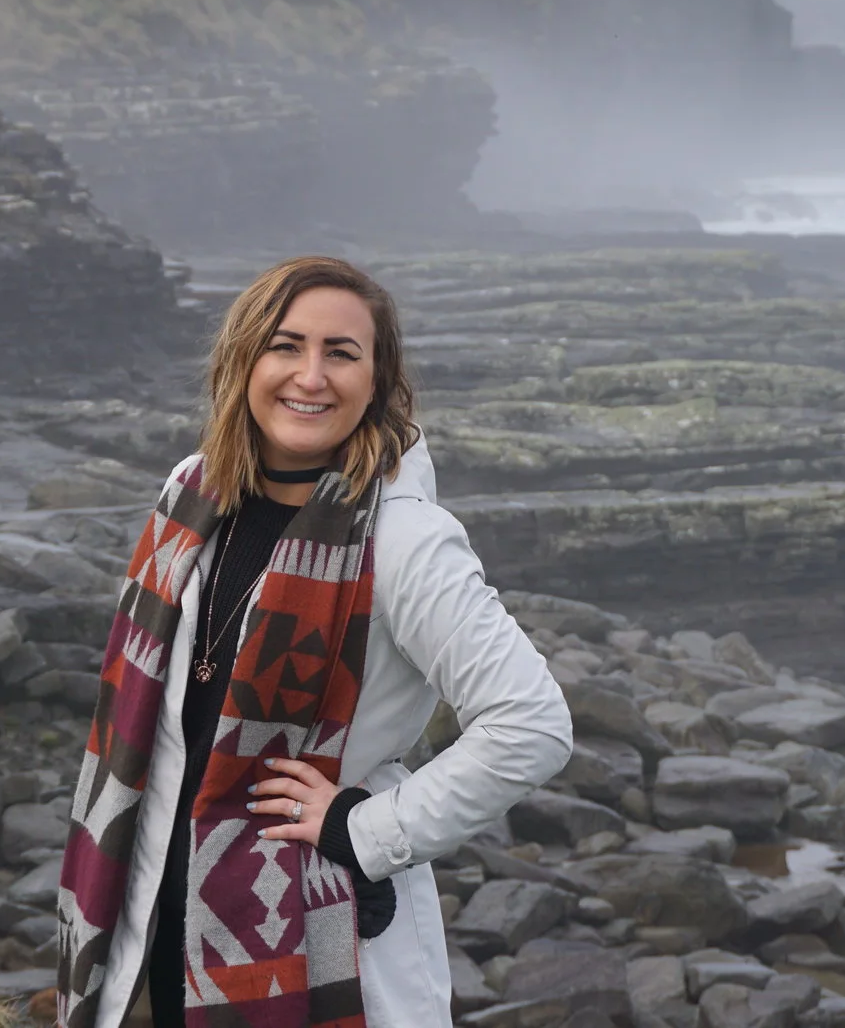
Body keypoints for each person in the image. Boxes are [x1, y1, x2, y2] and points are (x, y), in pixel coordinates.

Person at [55, 255, 573, 1028]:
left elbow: (533, 724)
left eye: (342, 352)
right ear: (244, 358)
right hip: (162, 914)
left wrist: (365, 828)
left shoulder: (403, 540)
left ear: (379, 378)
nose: (311, 375)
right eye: (285, 345)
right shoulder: (192, 493)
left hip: (312, 935)